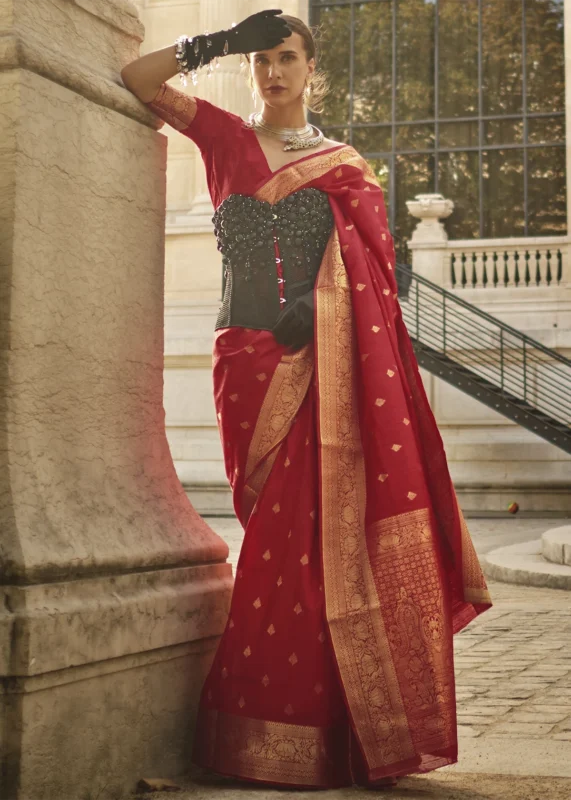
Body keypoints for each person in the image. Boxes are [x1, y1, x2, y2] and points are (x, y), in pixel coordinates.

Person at [121, 9, 492, 790]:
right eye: (260, 61)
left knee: (311, 545)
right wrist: (213, 43)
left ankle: (325, 732)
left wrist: (320, 312)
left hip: (316, 363)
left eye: (285, 58)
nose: (272, 73)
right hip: (245, 364)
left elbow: (376, 284)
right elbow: (138, 80)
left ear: (309, 67)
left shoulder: (344, 166)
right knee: (269, 530)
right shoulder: (223, 138)